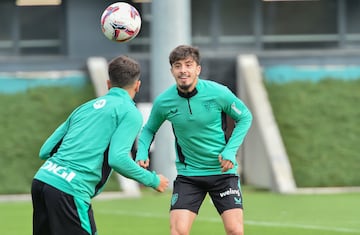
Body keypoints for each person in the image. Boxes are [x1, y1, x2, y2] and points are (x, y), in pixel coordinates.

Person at [31, 55, 169, 235]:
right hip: (69, 190)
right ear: (137, 85)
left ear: (108, 84)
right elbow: (118, 159)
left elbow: (46, 150)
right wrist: (153, 180)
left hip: (42, 179)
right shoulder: (129, 111)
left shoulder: (85, 107)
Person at [136, 45, 253, 235]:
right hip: (189, 175)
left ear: (198, 69)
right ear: (172, 71)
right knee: (178, 231)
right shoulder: (164, 101)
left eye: (188, 65)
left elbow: (245, 117)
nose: (183, 70)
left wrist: (230, 151)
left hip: (223, 173)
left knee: (235, 230)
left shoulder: (218, 92)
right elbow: (149, 129)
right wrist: (142, 152)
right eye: (178, 66)